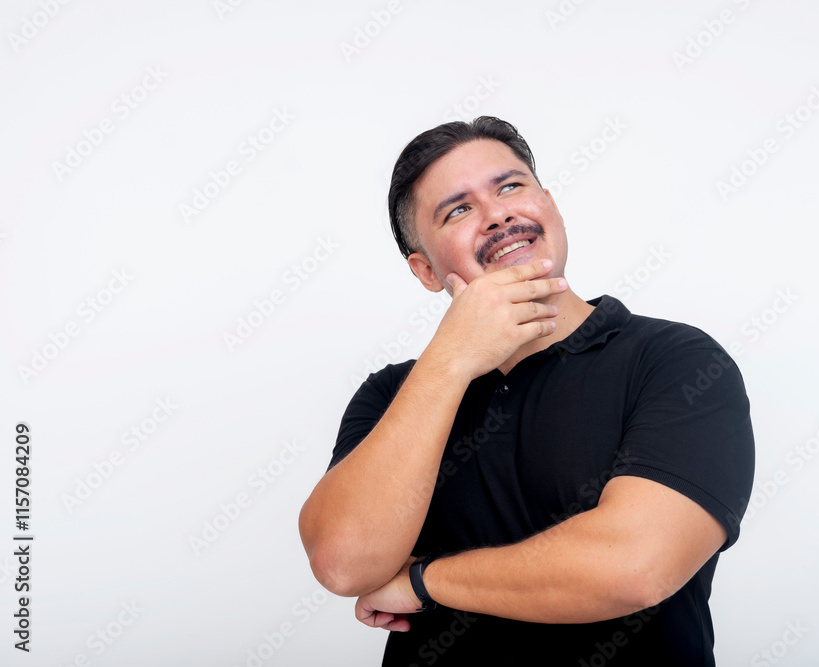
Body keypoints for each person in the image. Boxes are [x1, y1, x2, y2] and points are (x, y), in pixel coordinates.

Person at [298, 117, 755, 666]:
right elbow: (344, 563)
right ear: (424, 270)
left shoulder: (674, 361)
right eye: (458, 210)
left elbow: (635, 565)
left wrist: (423, 581)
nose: (498, 214)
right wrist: (449, 362)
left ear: (550, 205)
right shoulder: (395, 393)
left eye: (510, 186)